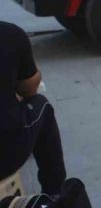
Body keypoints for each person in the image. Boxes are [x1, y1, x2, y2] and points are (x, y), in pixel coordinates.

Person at [0, 21, 66, 195]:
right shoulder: (10, 34)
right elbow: (29, 89)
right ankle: (55, 194)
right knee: (41, 105)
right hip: (6, 154)